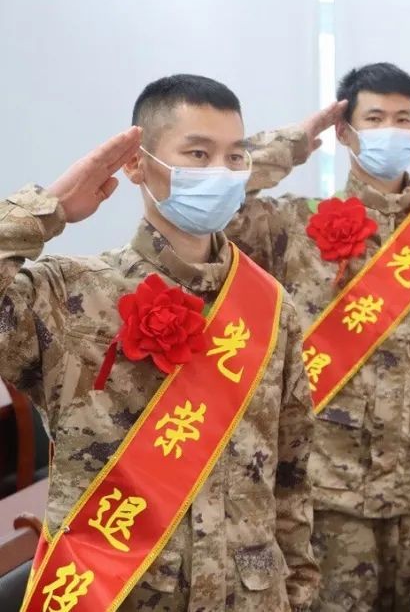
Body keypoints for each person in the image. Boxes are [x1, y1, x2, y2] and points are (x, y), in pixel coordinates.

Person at [0, 74, 318, 611]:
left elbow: (291, 471)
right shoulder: (70, 294)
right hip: (121, 594)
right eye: (197, 154)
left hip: (250, 597)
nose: (220, 173)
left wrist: (301, 593)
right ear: (136, 164)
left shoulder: (269, 306)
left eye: (235, 157)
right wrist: (47, 209)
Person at [225, 63, 410, 612]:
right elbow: (222, 194)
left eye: (402, 119)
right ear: (345, 133)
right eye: (374, 118)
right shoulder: (297, 224)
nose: (390, 130)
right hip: (332, 484)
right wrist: (295, 142)